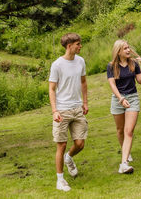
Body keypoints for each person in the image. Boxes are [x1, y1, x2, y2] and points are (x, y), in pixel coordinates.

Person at [49, 33, 88, 191]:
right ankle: (60, 180)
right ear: (69, 45)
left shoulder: (81, 61)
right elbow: (51, 89)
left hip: (78, 108)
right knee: (62, 144)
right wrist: (54, 111)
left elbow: (84, 82)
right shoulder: (57, 65)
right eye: (78, 44)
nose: (80, 46)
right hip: (62, 110)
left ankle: (69, 158)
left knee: (80, 143)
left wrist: (85, 102)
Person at [107, 40, 141, 174]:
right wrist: (120, 98)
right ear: (118, 51)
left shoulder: (133, 63)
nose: (128, 50)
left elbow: (140, 81)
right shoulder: (111, 66)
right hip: (118, 98)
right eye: (125, 49)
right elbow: (112, 85)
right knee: (120, 130)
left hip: (133, 98)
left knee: (128, 131)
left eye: (128, 48)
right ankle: (126, 152)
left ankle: (124, 163)